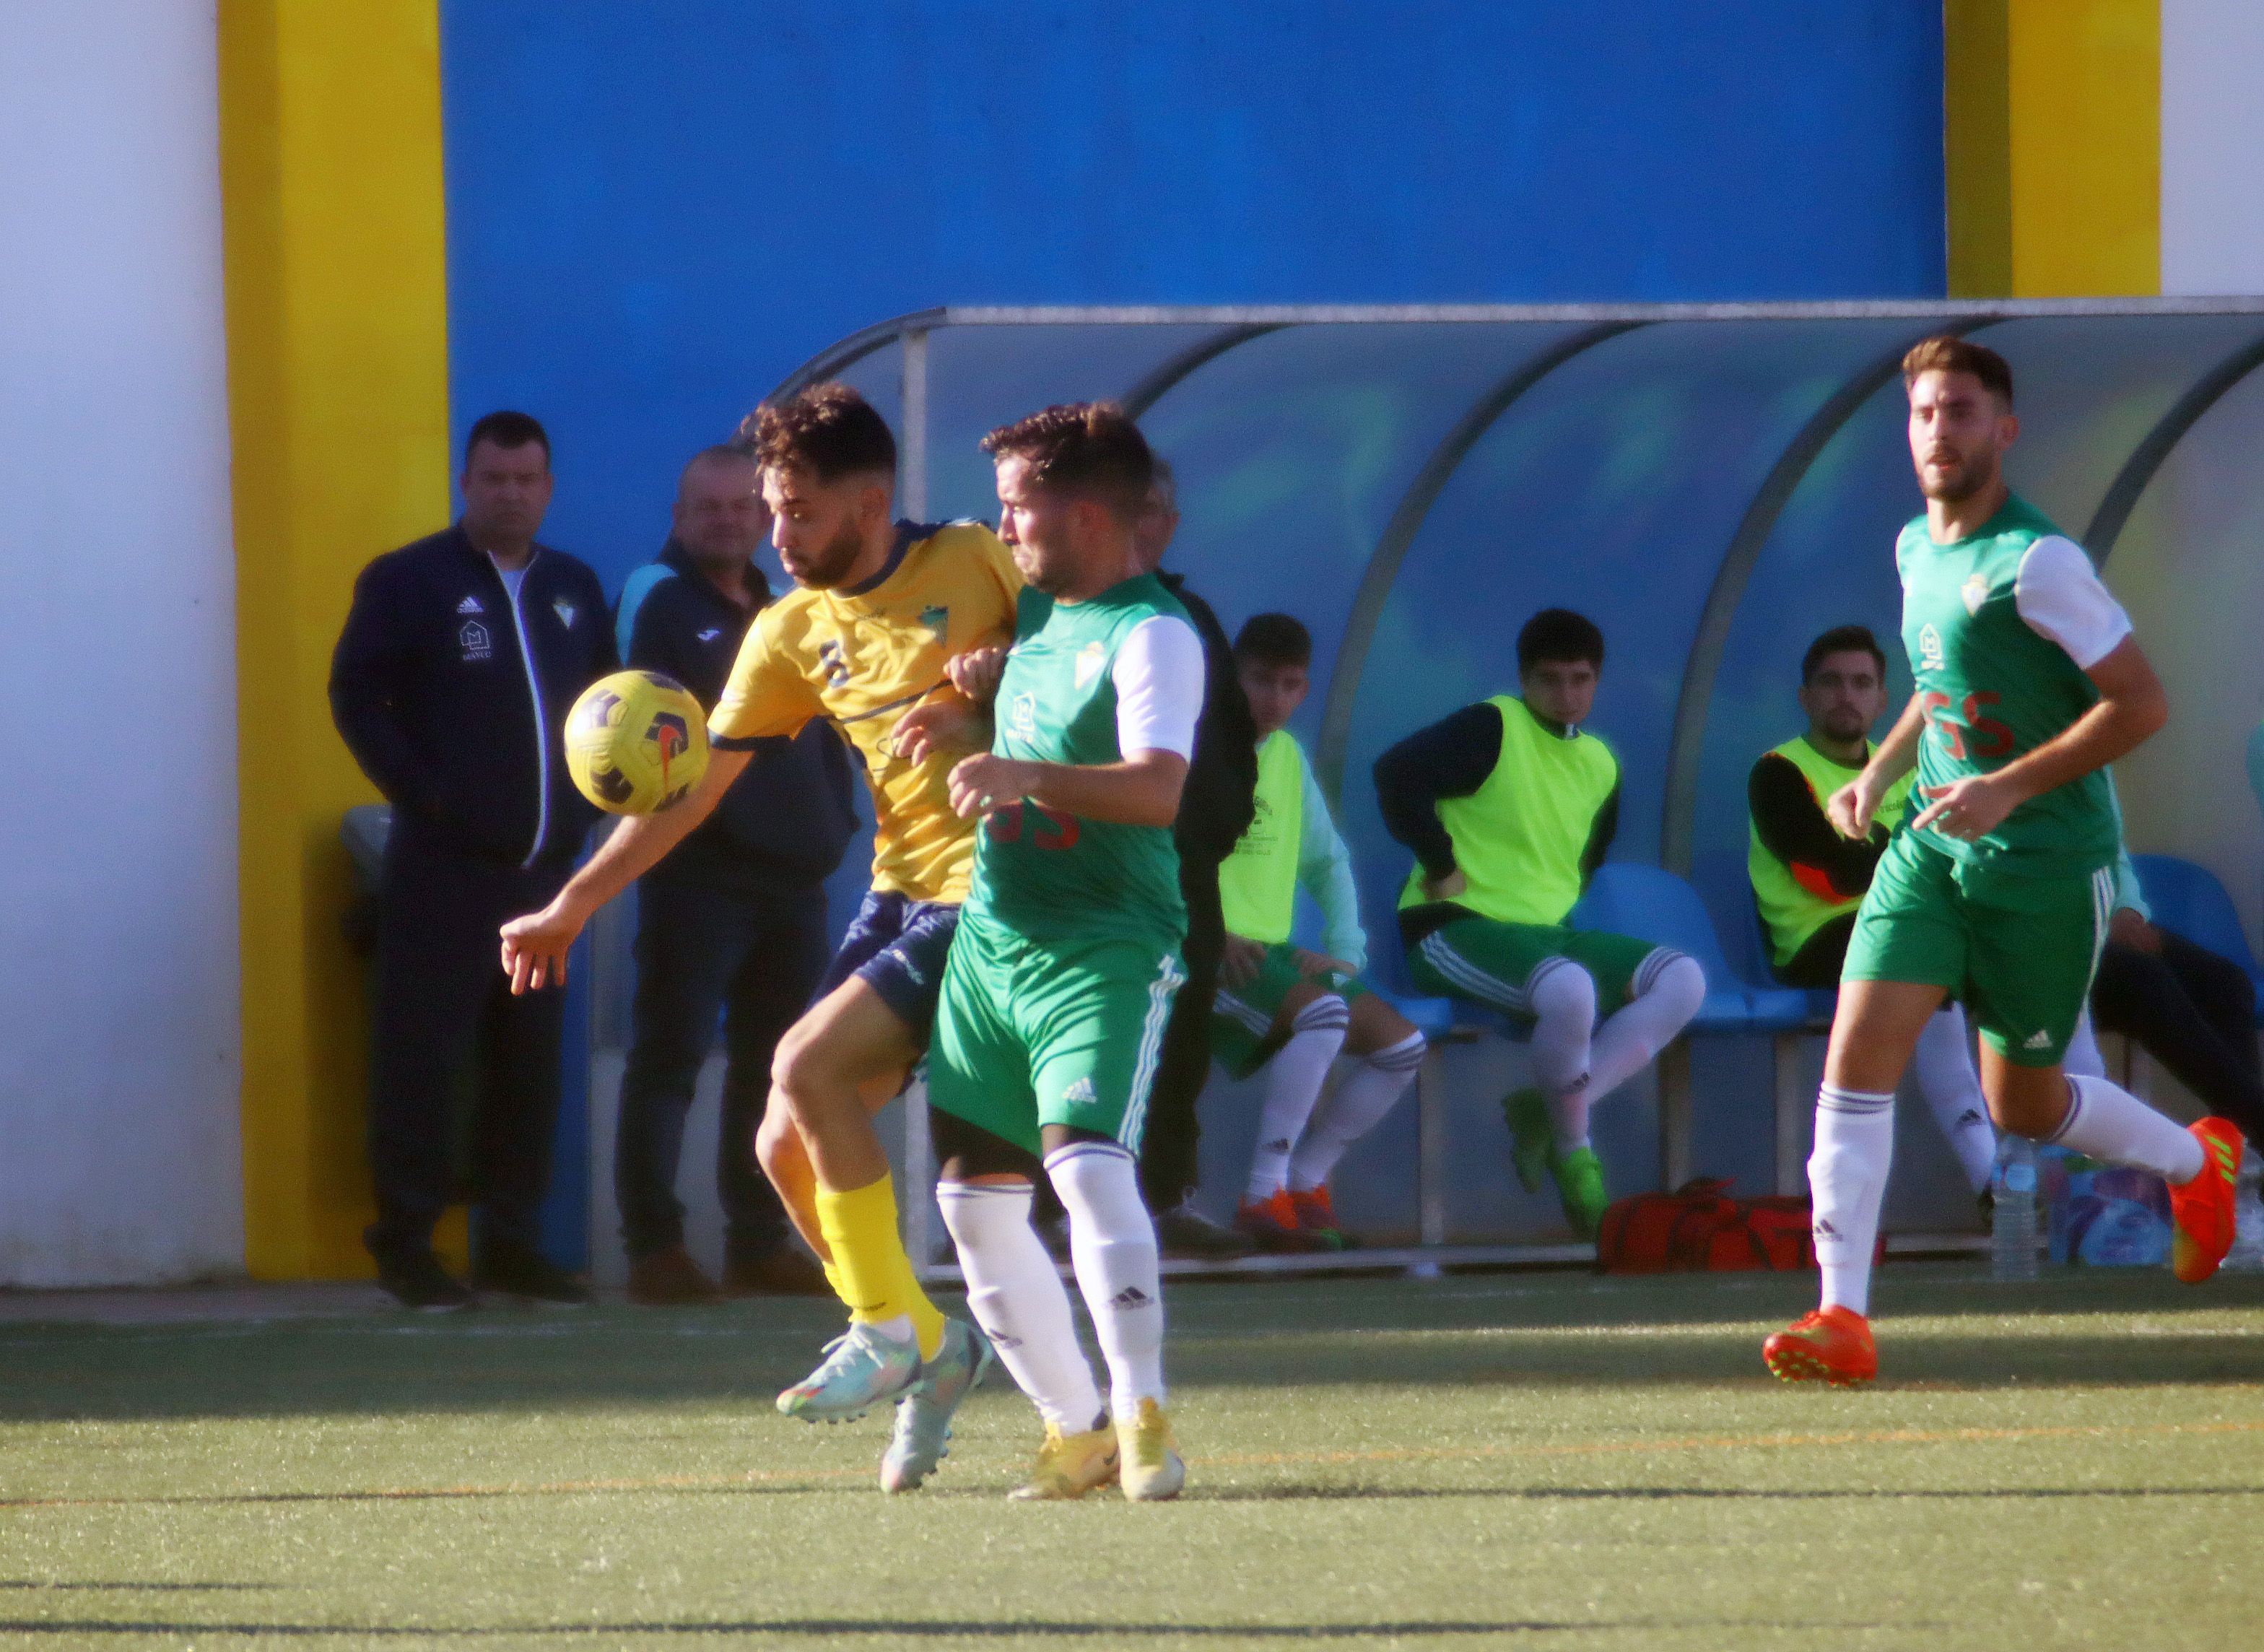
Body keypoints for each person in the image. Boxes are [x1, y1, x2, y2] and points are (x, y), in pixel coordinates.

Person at [500, 384, 1011, 1493]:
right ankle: (931, 1343)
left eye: (796, 511)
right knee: (780, 1141)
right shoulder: (790, 629)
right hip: (901, 894)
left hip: (1002, 891)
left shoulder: (977, 563)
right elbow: (690, 794)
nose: (776, 535)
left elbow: (1093, 668)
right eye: (771, 510)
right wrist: (574, 904)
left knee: (798, 1066)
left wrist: (993, 694)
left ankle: (886, 1328)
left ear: (871, 502)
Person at [1764, 336, 2241, 1387]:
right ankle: (1843, 1317)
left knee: (2024, 1103)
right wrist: (1882, 776)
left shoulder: (2040, 563)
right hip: (1933, 849)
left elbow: (2142, 703)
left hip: (2045, 863)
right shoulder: (1912, 550)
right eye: (1928, 413)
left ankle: (2193, 1159)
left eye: (1964, 412)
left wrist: (2012, 786)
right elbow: (1939, 683)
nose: (1942, 430)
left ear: (2004, 431)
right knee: (1855, 1061)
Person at [895, 402, 1202, 1502]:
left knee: (1082, 1166)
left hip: (1103, 945)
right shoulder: (1038, 614)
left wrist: (1022, 776)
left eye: (1018, 504)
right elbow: (1036, 735)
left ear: (1083, 513)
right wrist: (969, 726)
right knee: (973, 1205)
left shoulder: (1154, 631)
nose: (1004, 524)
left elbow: (1158, 789)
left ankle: (1145, 1416)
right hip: (996, 941)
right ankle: (1075, 1431)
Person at [330, 410, 614, 1310]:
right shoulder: (410, 580)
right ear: (467, 482)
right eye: (494, 479)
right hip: (445, 871)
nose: (511, 494)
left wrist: (593, 811)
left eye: (527, 480)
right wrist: (427, 792)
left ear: (548, 487)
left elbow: (607, 705)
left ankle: (512, 1242)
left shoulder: (573, 586)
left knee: (527, 1064)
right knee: (422, 1058)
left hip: (548, 876)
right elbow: (355, 693)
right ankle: (407, 1244)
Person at [609, 446, 856, 1303]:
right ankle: (653, 1247)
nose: (725, 518)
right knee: (670, 1057)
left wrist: (836, 817)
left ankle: (755, 1242)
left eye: (738, 505)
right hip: (698, 877)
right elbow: (629, 730)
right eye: (706, 506)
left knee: (772, 1065)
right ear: (680, 515)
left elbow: (825, 726)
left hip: (795, 881)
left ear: (762, 516)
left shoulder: (784, 604)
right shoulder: (658, 601)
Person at [1375, 609, 1706, 1238]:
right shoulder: (1493, 724)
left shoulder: (1602, 762)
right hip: (1453, 927)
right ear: (1524, 678)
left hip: (1543, 934)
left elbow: (1586, 861)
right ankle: (1575, 1152)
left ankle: (1546, 1109)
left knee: (1683, 979)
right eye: (1549, 679)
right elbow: (1395, 775)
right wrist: (1440, 862)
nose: (1566, 693)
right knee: (1570, 988)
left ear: (1598, 681)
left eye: (1580, 679)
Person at [1748, 625, 1998, 1201]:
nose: (1846, 695)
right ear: (1806, 696)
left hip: (1907, 927)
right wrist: (1897, 851)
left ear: (1883, 701)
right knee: (1927, 963)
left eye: (1862, 684)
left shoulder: (1908, 771)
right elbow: (1834, 878)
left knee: (2028, 958)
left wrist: (1876, 846)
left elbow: (1951, 861)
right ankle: (1993, 1178)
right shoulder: (1779, 772)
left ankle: (2070, 1171)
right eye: (1831, 682)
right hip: (1816, 943)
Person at [1216, 614, 1426, 1251]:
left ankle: (1305, 1179)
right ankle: (1261, 1194)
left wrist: (1345, 953)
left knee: (1402, 1047)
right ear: (1233, 678)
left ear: (1304, 690)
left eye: (1290, 685)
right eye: (1260, 681)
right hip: (1200, 951)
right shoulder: (1192, 750)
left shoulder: (1286, 756)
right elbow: (1157, 856)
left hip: (1269, 954)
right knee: (1326, 1019)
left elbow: (1327, 860)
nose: (1274, 699)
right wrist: (1209, 934)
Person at [1131, 460, 1263, 1258]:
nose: (1138, 524)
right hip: (1106, 874)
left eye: (1150, 511)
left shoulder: (1192, 616)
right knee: (1109, 1042)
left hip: (1189, 871)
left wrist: (1216, 828)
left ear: (1169, 525)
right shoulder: (1059, 614)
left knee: (1182, 1038)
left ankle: (1167, 1200)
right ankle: (1064, 1210)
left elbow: (1233, 741)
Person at [2063, 849, 2264, 1150]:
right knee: (2144, 980)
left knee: (2229, 984)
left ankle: (2239, 1150)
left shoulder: (2094, 800)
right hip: (2056, 942)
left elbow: (2116, 859)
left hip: (2106, 926)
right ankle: (2255, 1128)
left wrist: (2129, 911)